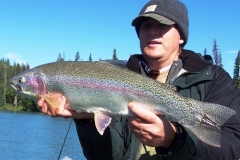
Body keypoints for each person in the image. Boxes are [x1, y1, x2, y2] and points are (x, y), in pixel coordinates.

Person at [38, 0, 240, 159]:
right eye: (145, 26)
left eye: (163, 25)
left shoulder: (213, 79)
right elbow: (110, 157)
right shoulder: (119, 78)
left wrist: (173, 139)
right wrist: (88, 119)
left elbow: (235, 146)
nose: (152, 31)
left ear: (181, 36)